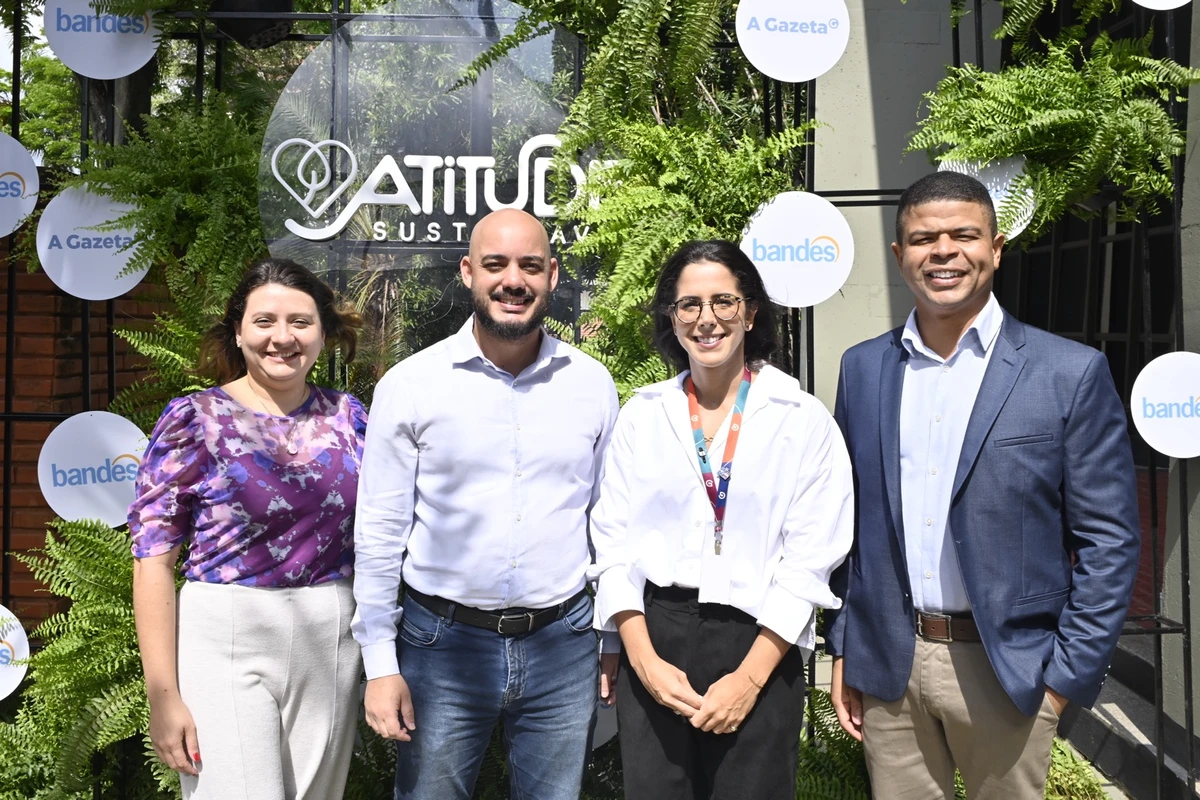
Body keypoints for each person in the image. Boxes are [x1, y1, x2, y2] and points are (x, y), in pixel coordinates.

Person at [827, 171, 1141, 799]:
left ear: (996, 248)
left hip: (1010, 672)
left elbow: (1109, 542)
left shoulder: (1069, 373)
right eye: (923, 239)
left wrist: (1063, 678)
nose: (943, 251)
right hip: (890, 664)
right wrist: (845, 648)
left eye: (964, 235)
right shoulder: (862, 369)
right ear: (899, 255)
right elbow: (848, 524)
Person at [352, 208, 619, 800]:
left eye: (529, 265)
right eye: (495, 264)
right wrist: (379, 663)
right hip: (439, 648)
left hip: (564, 644)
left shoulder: (591, 384)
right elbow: (379, 530)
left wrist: (614, 636)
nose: (513, 280)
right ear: (469, 273)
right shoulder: (412, 384)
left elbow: (609, 523)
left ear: (552, 275)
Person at [589, 239, 855, 799]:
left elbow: (809, 563)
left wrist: (750, 678)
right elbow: (611, 544)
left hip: (761, 641)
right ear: (672, 316)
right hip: (656, 633)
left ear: (750, 312)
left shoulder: (802, 420)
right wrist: (642, 657)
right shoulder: (643, 415)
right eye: (689, 304)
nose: (706, 319)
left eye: (723, 302)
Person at [129, 258, 367, 800]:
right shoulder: (194, 420)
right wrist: (163, 695)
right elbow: (153, 561)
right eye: (264, 321)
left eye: (300, 322)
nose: (282, 337)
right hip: (228, 635)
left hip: (329, 633)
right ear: (238, 331)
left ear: (324, 334)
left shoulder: (351, 419)